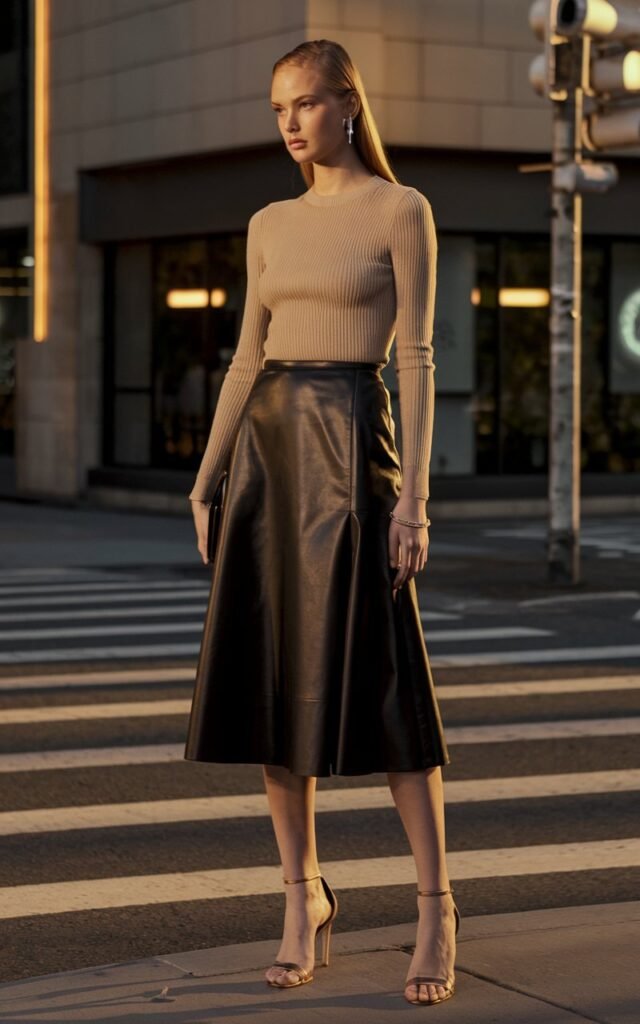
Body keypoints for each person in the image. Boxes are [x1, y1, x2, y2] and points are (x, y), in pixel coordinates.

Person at [184, 38, 459, 1007]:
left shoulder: (401, 209)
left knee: (388, 687)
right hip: (268, 461)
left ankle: (435, 907)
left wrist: (414, 500)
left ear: (348, 103)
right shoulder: (267, 223)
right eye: (278, 110)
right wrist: (206, 481)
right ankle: (303, 899)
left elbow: (416, 359)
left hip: (355, 453)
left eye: (304, 104)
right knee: (273, 686)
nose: (291, 124)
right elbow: (244, 360)